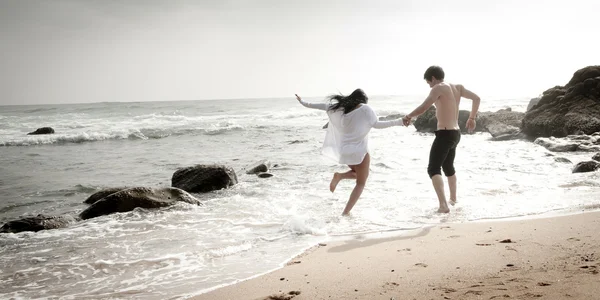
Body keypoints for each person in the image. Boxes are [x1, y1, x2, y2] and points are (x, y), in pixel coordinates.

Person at [295, 89, 403, 216]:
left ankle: (340, 176)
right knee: (361, 183)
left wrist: (302, 101)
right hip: (359, 151)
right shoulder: (365, 109)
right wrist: (399, 121)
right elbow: (377, 124)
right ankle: (345, 212)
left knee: (358, 174)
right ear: (362, 100)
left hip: (344, 152)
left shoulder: (340, 109)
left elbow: (319, 106)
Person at [402, 66, 481, 213]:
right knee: (448, 167)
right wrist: (472, 118)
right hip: (456, 133)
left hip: (444, 134)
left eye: (428, 82)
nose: (430, 86)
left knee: (433, 168)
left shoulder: (438, 88)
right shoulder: (458, 87)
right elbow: (477, 98)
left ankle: (443, 205)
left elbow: (424, 107)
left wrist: (408, 117)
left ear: (433, 78)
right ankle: (453, 199)